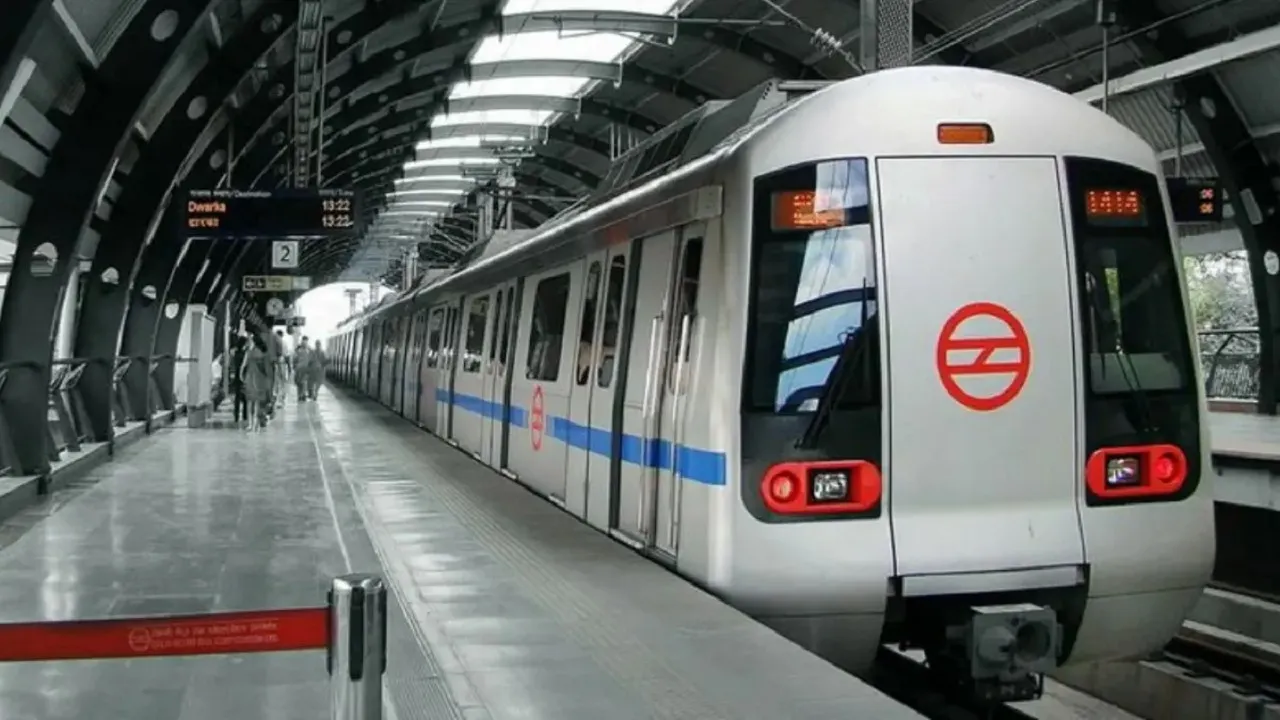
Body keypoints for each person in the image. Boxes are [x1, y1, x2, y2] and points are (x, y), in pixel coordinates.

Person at [241, 332, 273, 430]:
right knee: (257, 403)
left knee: (251, 402)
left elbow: (243, 365)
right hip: (258, 379)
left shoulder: (249, 352)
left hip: (251, 377)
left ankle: (252, 424)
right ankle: (255, 423)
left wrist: (241, 375)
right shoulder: (260, 353)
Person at [229, 334, 248, 425]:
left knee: (237, 397)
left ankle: (236, 416)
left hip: (236, 377)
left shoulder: (234, 353)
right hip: (244, 377)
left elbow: (232, 365)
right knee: (245, 397)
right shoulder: (245, 354)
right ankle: (245, 415)